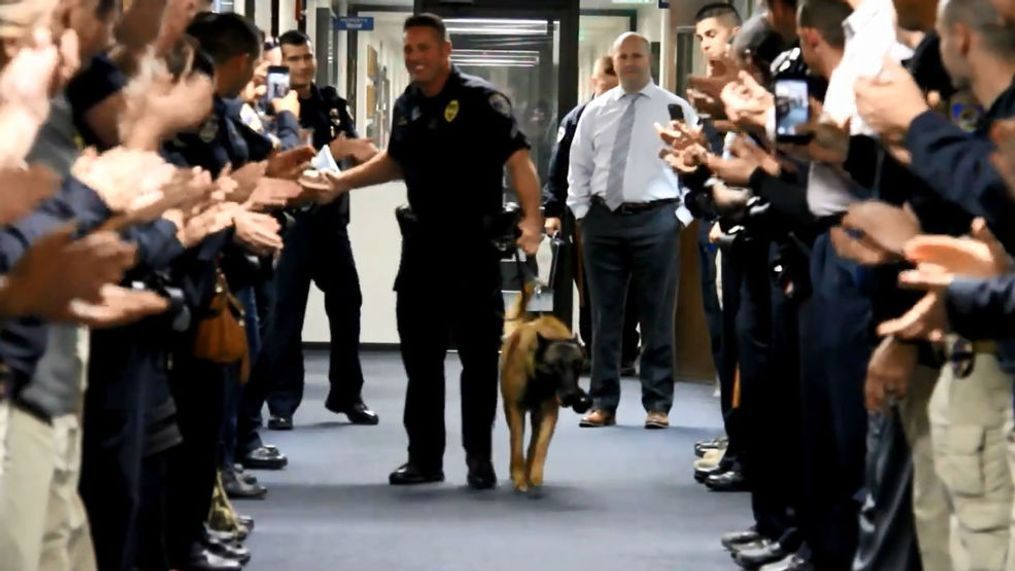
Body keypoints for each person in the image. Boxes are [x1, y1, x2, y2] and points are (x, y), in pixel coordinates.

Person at [298, 13, 542, 490]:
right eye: (409, 49)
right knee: (422, 359)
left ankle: (478, 459)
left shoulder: (483, 101)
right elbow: (394, 161)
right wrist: (339, 184)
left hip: (472, 248)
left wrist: (532, 219)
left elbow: (519, 162)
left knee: (476, 359)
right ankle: (424, 458)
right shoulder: (408, 103)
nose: (414, 58)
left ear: (446, 51)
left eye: (423, 48)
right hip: (423, 248)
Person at [240, 29, 379, 443]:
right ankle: (282, 403)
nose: (303, 66)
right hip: (291, 224)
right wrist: (332, 153)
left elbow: (348, 151)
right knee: (286, 315)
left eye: (307, 57)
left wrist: (344, 153)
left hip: (330, 223)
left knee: (348, 302)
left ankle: (347, 395)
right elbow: (285, 163)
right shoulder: (270, 107)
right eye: (294, 59)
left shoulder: (330, 104)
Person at [566, 32, 696, 430]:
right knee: (605, 317)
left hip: (657, 220)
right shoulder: (595, 110)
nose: (629, 62)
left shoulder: (675, 107)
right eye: (622, 56)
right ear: (614, 61)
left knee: (657, 315)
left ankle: (658, 404)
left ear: (648, 59)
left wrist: (683, 215)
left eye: (636, 55)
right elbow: (580, 165)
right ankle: (603, 401)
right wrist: (581, 210)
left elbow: (695, 165)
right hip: (603, 219)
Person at [541, 55, 640, 376]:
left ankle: (625, 349)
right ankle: (596, 348)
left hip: (631, 215)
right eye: (604, 82)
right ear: (593, 82)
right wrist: (553, 210)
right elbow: (558, 169)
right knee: (591, 287)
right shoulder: (576, 119)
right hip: (586, 215)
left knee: (630, 285)